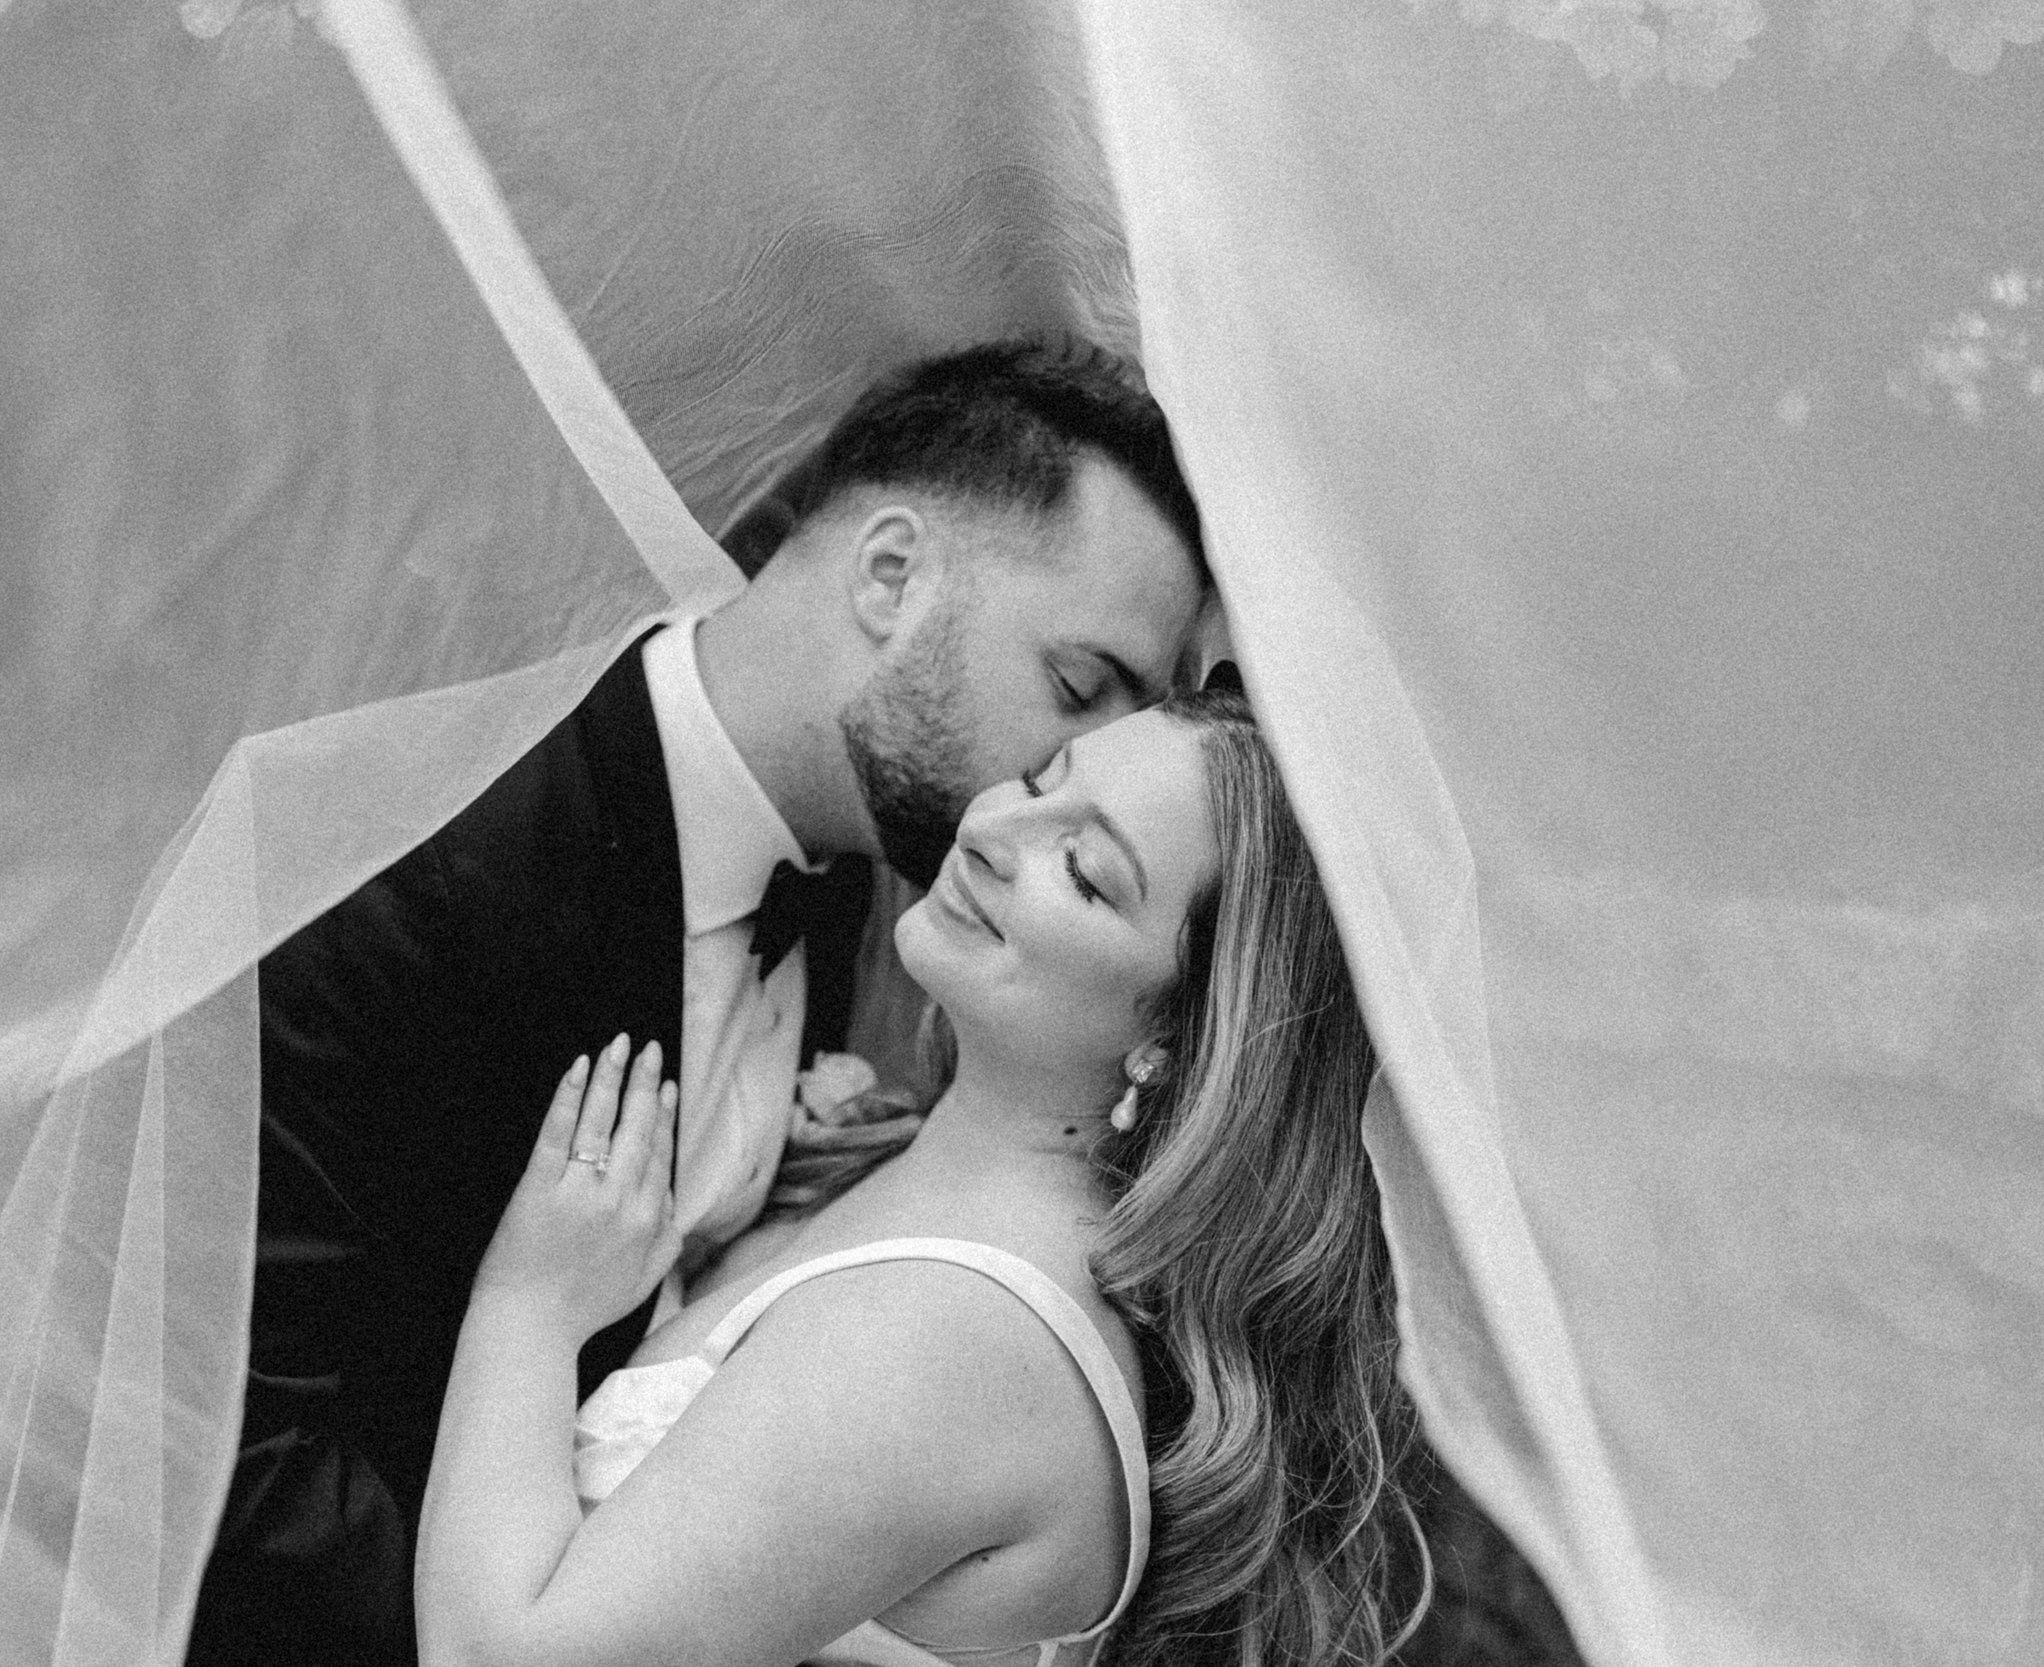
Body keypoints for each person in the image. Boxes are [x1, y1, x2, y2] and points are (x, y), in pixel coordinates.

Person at [190, 339, 1212, 1665]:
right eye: (1074, 696)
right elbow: (218, 1426)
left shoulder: (866, 888)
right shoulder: (424, 860)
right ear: (892, 576)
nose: (1040, 796)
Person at [417, 688, 1423, 1666]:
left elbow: (494, 1654)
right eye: (1041, 775)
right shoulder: (916, 1175)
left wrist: (530, 1302)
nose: (994, 826)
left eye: (1082, 869)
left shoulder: (955, 1334)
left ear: (1179, 1041)